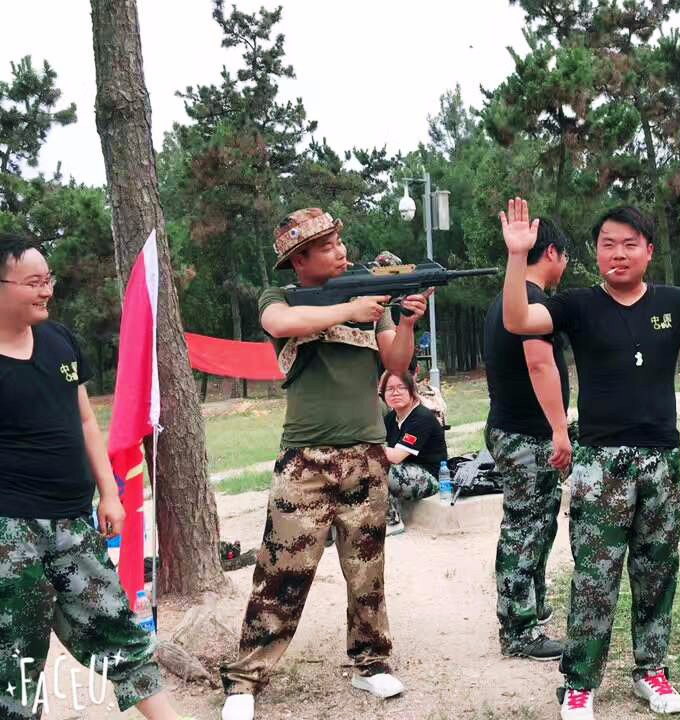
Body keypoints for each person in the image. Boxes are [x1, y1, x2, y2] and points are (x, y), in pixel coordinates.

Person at [500, 198, 680, 720]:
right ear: (596, 253)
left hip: (661, 461)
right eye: (608, 245)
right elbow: (518, 319)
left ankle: (651, 670)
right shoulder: (578, 305)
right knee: (594, 578)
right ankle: (580, 683)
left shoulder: (674, 301)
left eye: (629, 244)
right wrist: (517, 257)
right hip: (599, 465)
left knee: (656, 571)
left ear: (648, 250)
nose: (618, 254)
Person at [220, 209, 427, 720]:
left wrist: (404, 321)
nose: (341, 251)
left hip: (367, 455)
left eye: (339, 241)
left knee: (367, 571)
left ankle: (371, 663)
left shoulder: (368, 298)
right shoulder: (283, 296)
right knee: (281, 573)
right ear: (300, 260)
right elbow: (278, 324)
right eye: (329, 245)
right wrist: (349, 309)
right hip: (304, 461)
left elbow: (396, 363)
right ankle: (245, 680)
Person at [0, 233, 185, 720]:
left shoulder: (59, 340)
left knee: (118, 631)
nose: (47, 291)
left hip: (72, 522)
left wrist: (110, 493)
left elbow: (84, 419)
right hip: (9, 532)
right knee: (13, 657)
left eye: (48, 280)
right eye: (33, 283)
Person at [482, 216, 572, 662]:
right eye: (566, 257)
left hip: (513, 429)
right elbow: (539, 365)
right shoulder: (532, 303)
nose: (565, 266)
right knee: (525, 529)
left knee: (537, 523)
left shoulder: (506, 299)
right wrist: (559, 428)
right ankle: (518, 630)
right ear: (552, 253)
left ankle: (530, 607)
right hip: (526, 436)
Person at [380, 369, 447, 535]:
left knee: (377, 468)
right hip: (405, 471)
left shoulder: (421, 417)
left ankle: (392, 521)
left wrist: (365, 448)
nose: (395, 393)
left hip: (430, 477)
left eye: (401, 387)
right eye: (389, 389)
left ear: (412, 390)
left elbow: (396, 456)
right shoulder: (391, 418)